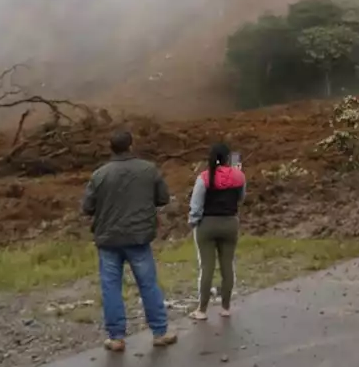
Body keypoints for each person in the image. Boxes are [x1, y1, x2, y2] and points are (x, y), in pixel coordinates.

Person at [81, 129, 178, 352]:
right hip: (138, 238)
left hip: (108, 239)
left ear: (111, 148)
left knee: (111, 288)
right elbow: (163, 198)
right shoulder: (148, 169)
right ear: (131, 145)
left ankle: (116, 338)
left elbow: (87, 207)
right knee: (148, 284)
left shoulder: (99, 175)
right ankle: (160, 332)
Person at [187, 142, 246, 321]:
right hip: (230, 223)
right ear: (228, 158)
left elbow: (196, 205)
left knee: (207, 268)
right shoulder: (239, 176)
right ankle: (226, 308)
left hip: (207, 225)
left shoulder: (204, 178)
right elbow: (242, 198)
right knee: (227, 266)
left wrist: (193, 222)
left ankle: (202, 310)